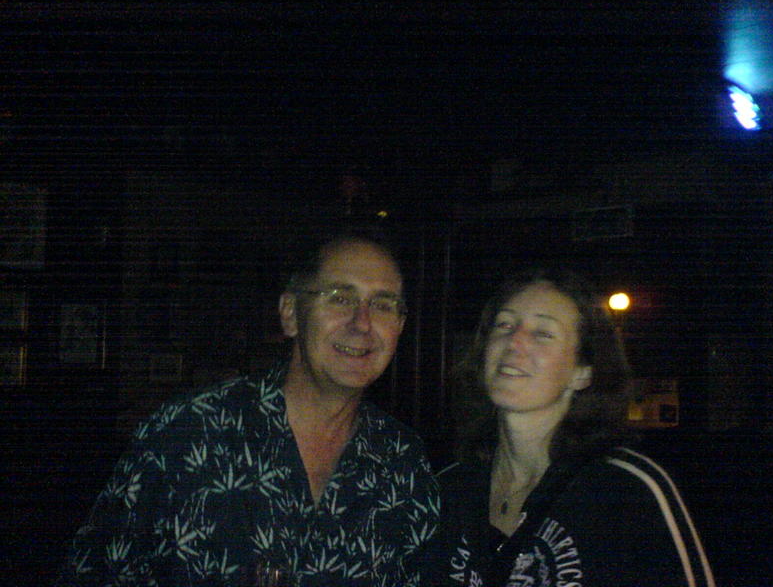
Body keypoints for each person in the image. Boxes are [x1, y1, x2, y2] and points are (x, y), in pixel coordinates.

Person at [57, 227, 440, 586]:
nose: (362, 322)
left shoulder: (403, 462)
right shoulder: (189, 432)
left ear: (400, 327)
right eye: (340, 298)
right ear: (290, 314)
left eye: (384, 305)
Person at [426, 267, 715, 587]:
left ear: (583, 372)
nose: (514, 341)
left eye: (543, 333)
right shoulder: (445, 490)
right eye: (504, 325)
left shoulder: (625, 490)